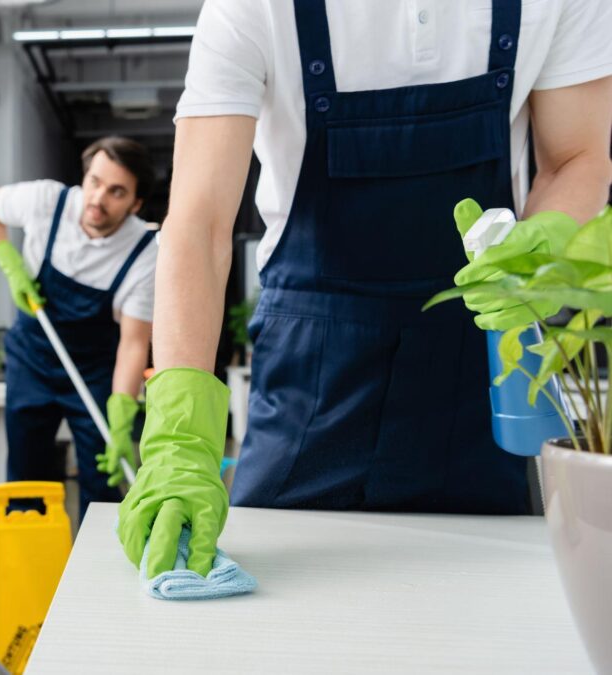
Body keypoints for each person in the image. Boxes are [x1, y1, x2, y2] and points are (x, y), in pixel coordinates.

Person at [118, 0, 612, 579]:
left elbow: (577, 158)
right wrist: (180, 439)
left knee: (483, 605)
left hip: (477, 368)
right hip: (310, 376)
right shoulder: (253, 7)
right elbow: (198, 225)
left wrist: (544, 245)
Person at [0, 137, 158, 518]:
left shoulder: (145, 252)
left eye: (116, 191)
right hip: (31, 360)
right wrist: (10, 262)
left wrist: (122, 410)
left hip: (94, 371)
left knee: (102, 481)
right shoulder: (46, 201)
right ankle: (30, 570)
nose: (98, 198)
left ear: (136, 203)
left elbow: (133, 343)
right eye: (94, 181)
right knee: (26, 476)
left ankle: (99, 572)